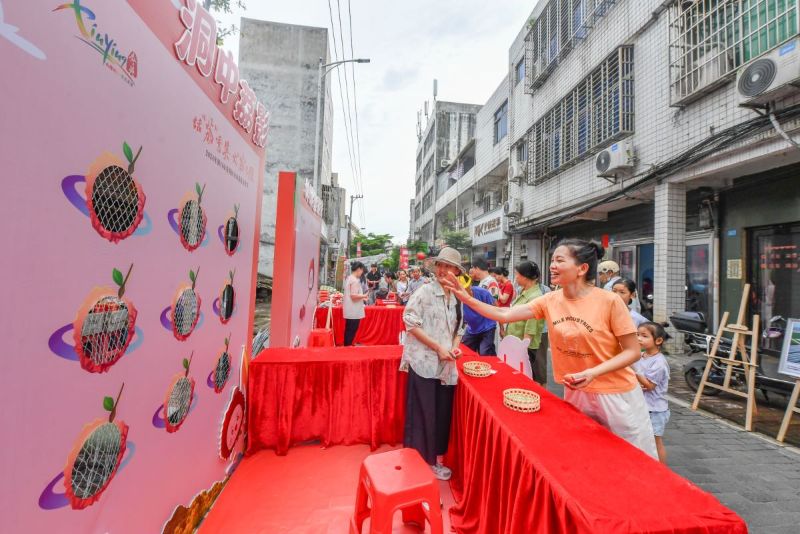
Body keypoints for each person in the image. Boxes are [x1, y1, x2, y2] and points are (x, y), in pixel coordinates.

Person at [441, 239, 657, 459]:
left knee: (632, 459)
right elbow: (504, 314)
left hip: (615, 393)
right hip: (576, 390)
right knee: (585, 456)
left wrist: (594, 373)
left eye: (559, 260)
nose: (552, 265)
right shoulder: (550, 300)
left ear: (582, 268)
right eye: (552, 260)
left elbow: (631, 351)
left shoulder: (610, 301)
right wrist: (466, 297)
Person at [401, 247, 465, 481]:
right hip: (424, 362)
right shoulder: (424, 292)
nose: (443, 270)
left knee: (440, 412)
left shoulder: (457, 296)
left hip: (446, 366)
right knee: (423, 413)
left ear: (457, 271)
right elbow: (410, 322)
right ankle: (422, 462)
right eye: (440, 265)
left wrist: (455, 346)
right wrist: (438, 347)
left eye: (448, 266)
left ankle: (433, 458)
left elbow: (461, 327)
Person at [633, 322, 671, 464]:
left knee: (655, 441)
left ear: (658, 341)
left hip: (655, 410)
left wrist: (634, 370)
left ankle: (662, 470)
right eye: (637, 334)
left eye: (644, 336)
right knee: (642, 438)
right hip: (643, 406)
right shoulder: (641, 356)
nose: (639, 339)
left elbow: (649, 385)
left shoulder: (659, 363)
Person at [506, 261, 546, 385]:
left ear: (525, 276)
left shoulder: (535, 297)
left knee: (527, 378)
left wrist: (523, 349)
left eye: (517, 275)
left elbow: (531, 327)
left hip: (525, 346)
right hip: (517, 343)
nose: (515, 277)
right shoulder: (524, 292)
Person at [460, 275, 497, 356]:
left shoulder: (482, 292)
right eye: (461, 289)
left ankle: (492, 364)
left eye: (466, 288)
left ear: (470, 285)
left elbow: (495, 308)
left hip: (488, 327)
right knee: (464, 350)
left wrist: (501, 328)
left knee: (484, 352)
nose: (465, 291)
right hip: (472, 329)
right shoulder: (458, 298)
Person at [343, 262, 369, 346]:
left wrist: (362, 297)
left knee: (349, 329)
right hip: (354, 310)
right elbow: (353, 296)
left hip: (350, 309)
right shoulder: (355, 280)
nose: (362, 273)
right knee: (351, 330)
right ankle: (348, 346)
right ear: (359, 269)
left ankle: (347, 345)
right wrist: (364, 295)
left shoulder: (349, 278)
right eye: (362, 271)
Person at [493, 267, 516, 337]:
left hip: (505, 312)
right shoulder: (500, 284)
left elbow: (503, 300)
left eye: (495, 276)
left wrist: (498, 289)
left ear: (501, 275)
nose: (495, 278)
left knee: (505, 336)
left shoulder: (508, 285)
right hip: (499, 312)